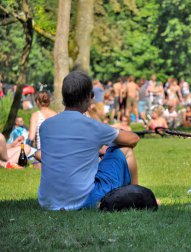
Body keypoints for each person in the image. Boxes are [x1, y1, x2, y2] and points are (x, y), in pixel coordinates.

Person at [37, 71, 140, 210]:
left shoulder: (45, 126)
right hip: (83, 200)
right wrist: (112, 135)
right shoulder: (93, 126)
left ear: (63, 98)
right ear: (88, 97)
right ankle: (137, 195)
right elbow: (133, 139)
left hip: (47, 202)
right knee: (125, 150)